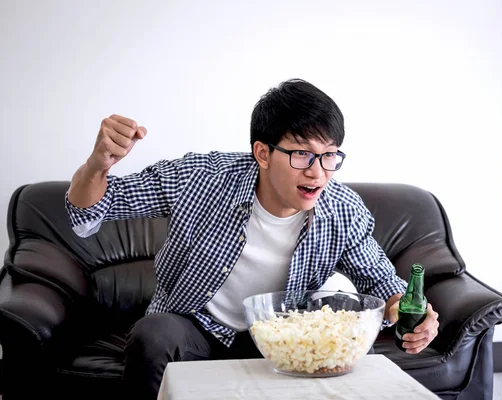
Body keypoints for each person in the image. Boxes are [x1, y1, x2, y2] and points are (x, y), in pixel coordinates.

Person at [65, 78, 440, 399]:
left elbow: (384, 284)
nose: (318, 173)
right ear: (262, 152)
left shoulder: (341, 210)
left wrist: (412, 313)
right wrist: (97, 164)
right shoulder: (201, 179)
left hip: (279, 338)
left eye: (328, 156)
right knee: (154, 333)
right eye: (302, 155)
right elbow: (91, 210)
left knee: (338, 338)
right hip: (193, 326)